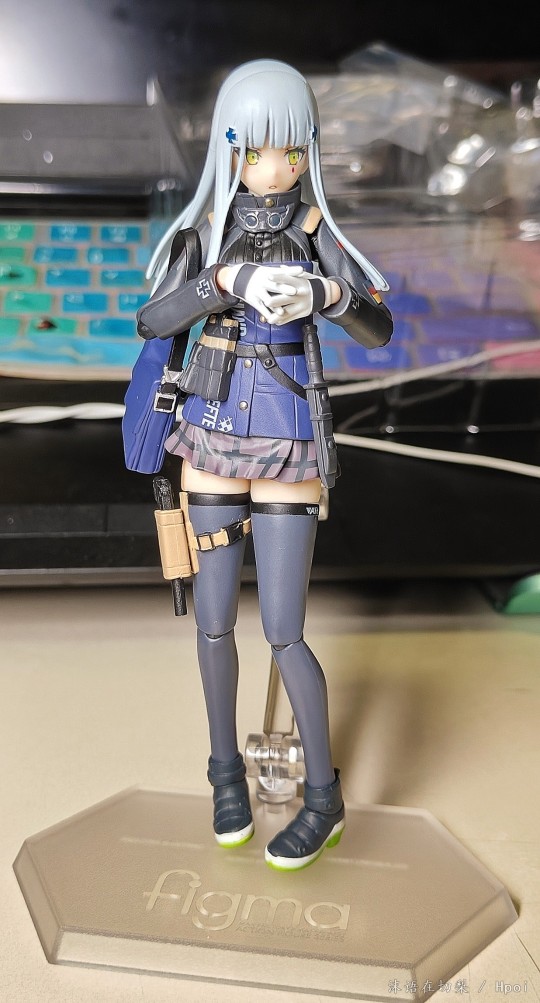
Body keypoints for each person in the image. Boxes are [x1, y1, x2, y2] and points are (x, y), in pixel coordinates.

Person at [129, 59, 393, 870]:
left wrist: (327, 297)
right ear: (229, 149)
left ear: (306, 149)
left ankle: (324, 797)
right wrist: (223, 279)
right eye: (253, 151)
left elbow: (379, 327)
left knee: (285, 631)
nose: (272, 169)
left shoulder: (318, 231)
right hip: (210, 431)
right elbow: (152, 319)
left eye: (289, 151)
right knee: (213, 621)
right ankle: (224, 774)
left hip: (288, 436)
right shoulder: (204, 232)